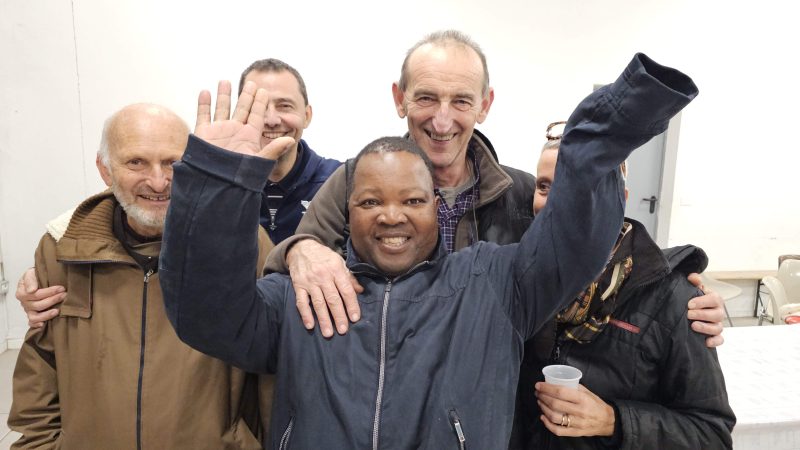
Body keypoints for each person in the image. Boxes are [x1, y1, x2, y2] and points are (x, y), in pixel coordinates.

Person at [159, 52, 698, 448]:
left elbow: (575, 239)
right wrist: (219, 181)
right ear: (346, 210)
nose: (392, 215)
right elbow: (207, 315)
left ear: (435, 206)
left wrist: (602, 134)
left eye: (412, 200)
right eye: (371, 201)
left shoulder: (494, 283)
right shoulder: (304, 298)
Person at [260, 30, 726, 346]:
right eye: (426, 98)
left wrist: (677, 298)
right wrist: (300, 249)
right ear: (400, 99)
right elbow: (285, 272)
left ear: (485, 105)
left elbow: (591, 260)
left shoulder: (521, 194)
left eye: (461, 101)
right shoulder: (352, 181)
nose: (442, 120)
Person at [7, 104, 272, 449]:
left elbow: (272, 370)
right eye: (136, 162)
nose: (158, 181)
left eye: (172, 162)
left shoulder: (243, 245)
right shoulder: (62, 250)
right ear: (105, 169)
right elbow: (40, 368)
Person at [510, 128, 735, 449]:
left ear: (621, 198)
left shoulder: (674, 299)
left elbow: (712, 434)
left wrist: (613, 421)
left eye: (581, 187)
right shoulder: (526, 280)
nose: (557, 203)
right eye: (545, 187)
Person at [237, 58, 341, 244]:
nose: (271, 120)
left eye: (284, 106)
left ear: (307, 116)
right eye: (257, 107)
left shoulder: (340, 182)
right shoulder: (221, 186)